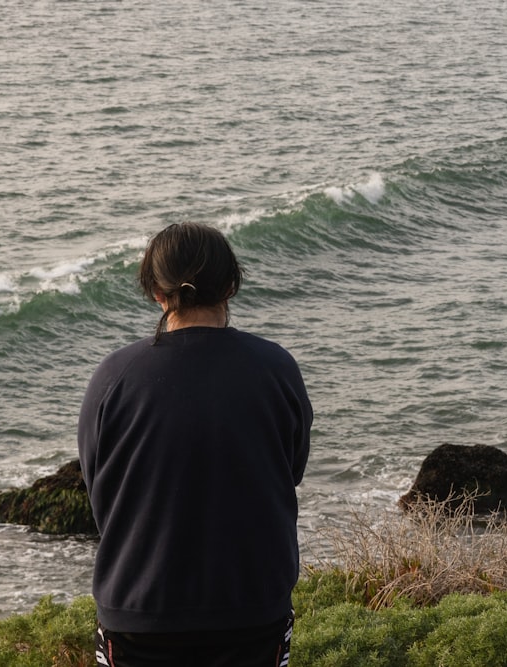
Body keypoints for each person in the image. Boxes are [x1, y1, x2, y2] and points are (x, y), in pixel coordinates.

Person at [78, 222, 312, 667]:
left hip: (138, 613)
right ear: (230, 285)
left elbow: (99, 489)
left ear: (155, 292)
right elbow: (292, 469)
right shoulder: (276, 368)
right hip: (252, 607)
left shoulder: (113, 377)